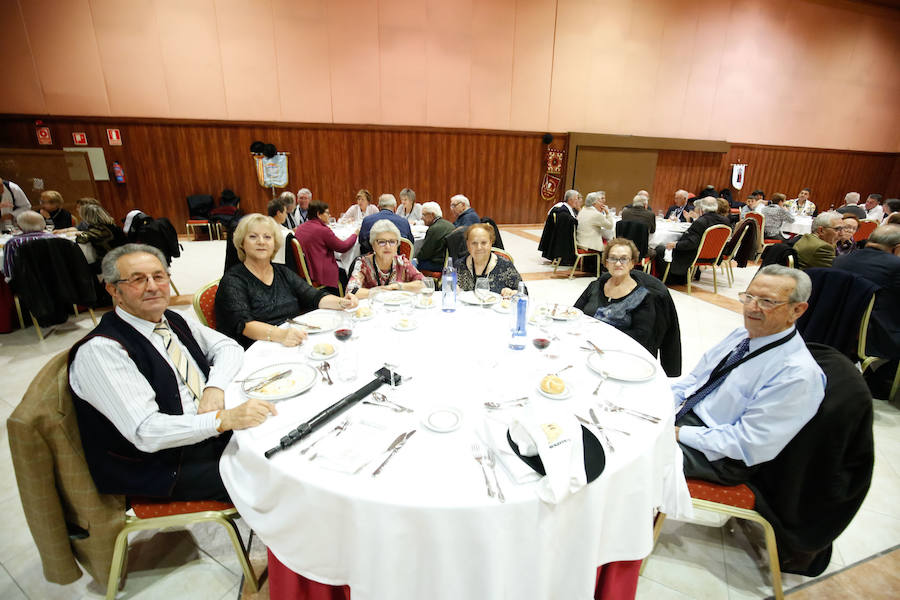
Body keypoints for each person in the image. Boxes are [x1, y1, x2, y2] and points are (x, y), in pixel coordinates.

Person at [68, 244, 278, 500]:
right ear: (114, 290)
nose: (153, 286)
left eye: (159, 276)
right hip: (165, 464)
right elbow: (147, 432)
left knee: (290, 438)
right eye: (138, 279)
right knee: (279, 478)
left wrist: (215, 387)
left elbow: (227, 347)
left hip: (207, 433)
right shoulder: (102, 350)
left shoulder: (169, 318)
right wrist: (223, 419)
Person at [673, 265, 825, 485]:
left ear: (797, 310)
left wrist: (677, 433)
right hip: (690, 420)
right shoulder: (742, 336)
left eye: (767, 302)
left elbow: (748, 443)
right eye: (749, 296)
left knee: (628, 453)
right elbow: (695, 381)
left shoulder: (797, 374)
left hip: (720, 456)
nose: (751, 308)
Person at [215, 214, 357, 349]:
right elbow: (244, 325)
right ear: (242, 243)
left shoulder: (282, 272)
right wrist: (281, 335)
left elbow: (314, 296)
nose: (261, 242)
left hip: (291, 341)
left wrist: (341, 302)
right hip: (257, 349)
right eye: (253, 236)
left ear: (274, 243)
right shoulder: (233, 280)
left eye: (267, 237)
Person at [574, 238, 656, 352]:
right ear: (606, 263)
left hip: (618, 352)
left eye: (624, 259)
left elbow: (641, 335)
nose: (618, 263)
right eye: (612, 258)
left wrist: (603, 339)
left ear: (632, 263)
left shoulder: (642, 297)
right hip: (584, 345)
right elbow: (575, 314)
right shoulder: (595, 286)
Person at [834, 225, 900, 362]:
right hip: (874, 338)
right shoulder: (896, 266)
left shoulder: (841, 260)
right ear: (897, 248)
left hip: (836, 331)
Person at [655, 197, 729, 282]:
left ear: (701, 209)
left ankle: (671, 278)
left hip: (694, 255)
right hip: (714, 255)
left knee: (660, 249)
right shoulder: (725, 221)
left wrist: (675, 244)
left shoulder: (701, 222)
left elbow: (691, 243)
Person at [347, 220, 424, 298]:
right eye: (382, 242)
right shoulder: (363, 264)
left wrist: (398, 286)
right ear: (373, 245)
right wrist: (381, 291)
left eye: (392, 242)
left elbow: (423, 284)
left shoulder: (402, 262)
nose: (387, 246)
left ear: (397, 245)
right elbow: (351, 291)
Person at [294, 200, 357, 293]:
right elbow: (343, 247)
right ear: (319, 214)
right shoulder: (323, 230)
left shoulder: (301, 228)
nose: (329, 215)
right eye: (327, 213)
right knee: (346, 272)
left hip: (307, 270)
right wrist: (354, 235)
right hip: (321, 271)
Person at [454, 223, 522, 297]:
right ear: (467, 244)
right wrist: (452, 288)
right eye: (474, 243)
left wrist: (512, 292)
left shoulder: (505, 266)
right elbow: (444, 289)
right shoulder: (459, 265)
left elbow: (523, 292)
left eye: (483, 243)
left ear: (491, 243)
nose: (479, 247)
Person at [2, 210, 55, 279]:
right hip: (56, 282)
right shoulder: (56, 239)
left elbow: (9, 272)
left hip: (25, 284)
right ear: (44, 224)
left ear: (19, 227)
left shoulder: (13, 243)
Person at [76, 203, 127, 271]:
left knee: (83, 267)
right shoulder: (115, 227)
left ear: (86, 217)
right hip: (125, 257)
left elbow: (80, 240)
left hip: (109, 262)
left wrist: (81, 234)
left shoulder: (94, 231)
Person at [415, 201, 454, 272]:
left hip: (438, 264)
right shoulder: (449, 224)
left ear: (432, 215)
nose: (422, 218)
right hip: (449, 262)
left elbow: (424, 254)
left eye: (424, 215)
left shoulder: (433, 229)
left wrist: (415, 257)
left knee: (412, 263)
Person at [267, 197, 293, 264]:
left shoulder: (264, 224)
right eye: (285, 212)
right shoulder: (286, 235)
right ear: (279, 213)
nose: (286, 215)